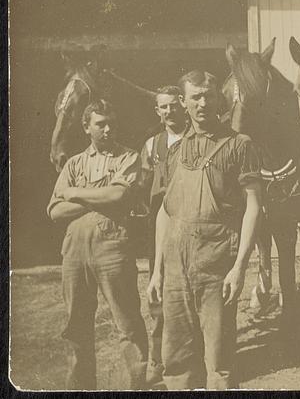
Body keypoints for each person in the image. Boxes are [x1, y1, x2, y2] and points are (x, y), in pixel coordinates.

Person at [146, 71, 262, 390]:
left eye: (208, 95)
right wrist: (156, 270)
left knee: (219, 364)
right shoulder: (174, 150)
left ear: (217, 99)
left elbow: (254, 206)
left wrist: (239, 267)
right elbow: (165, 213)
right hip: (175, 270)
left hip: (216, 266)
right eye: (195, 96)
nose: (202, 102)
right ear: (183, 102)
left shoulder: (240, 145)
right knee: (176, 362)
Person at [47, 99, 148, 390]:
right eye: (100, 124)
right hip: (74, 253)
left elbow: (118, 198)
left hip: (113, 250)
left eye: (111, 123)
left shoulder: (128, 157)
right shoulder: (74, 162)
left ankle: (135, 387)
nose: (107, 129)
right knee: (76, 327)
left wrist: (75, 193)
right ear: (86, 127)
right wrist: (97, 197)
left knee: (127, 324)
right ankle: (80, 387)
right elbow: (55, 211)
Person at [137, 85, 187, 386]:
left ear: (183, 106)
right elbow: (144, 188)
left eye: (173, 105)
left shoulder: (195, 140)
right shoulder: (152, 146)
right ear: (157, 111)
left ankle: (191, 356)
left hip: (191, 224)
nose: (169, 112)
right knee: (159, 293)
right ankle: (157, 358)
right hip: (161, 227)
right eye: (163, 107)